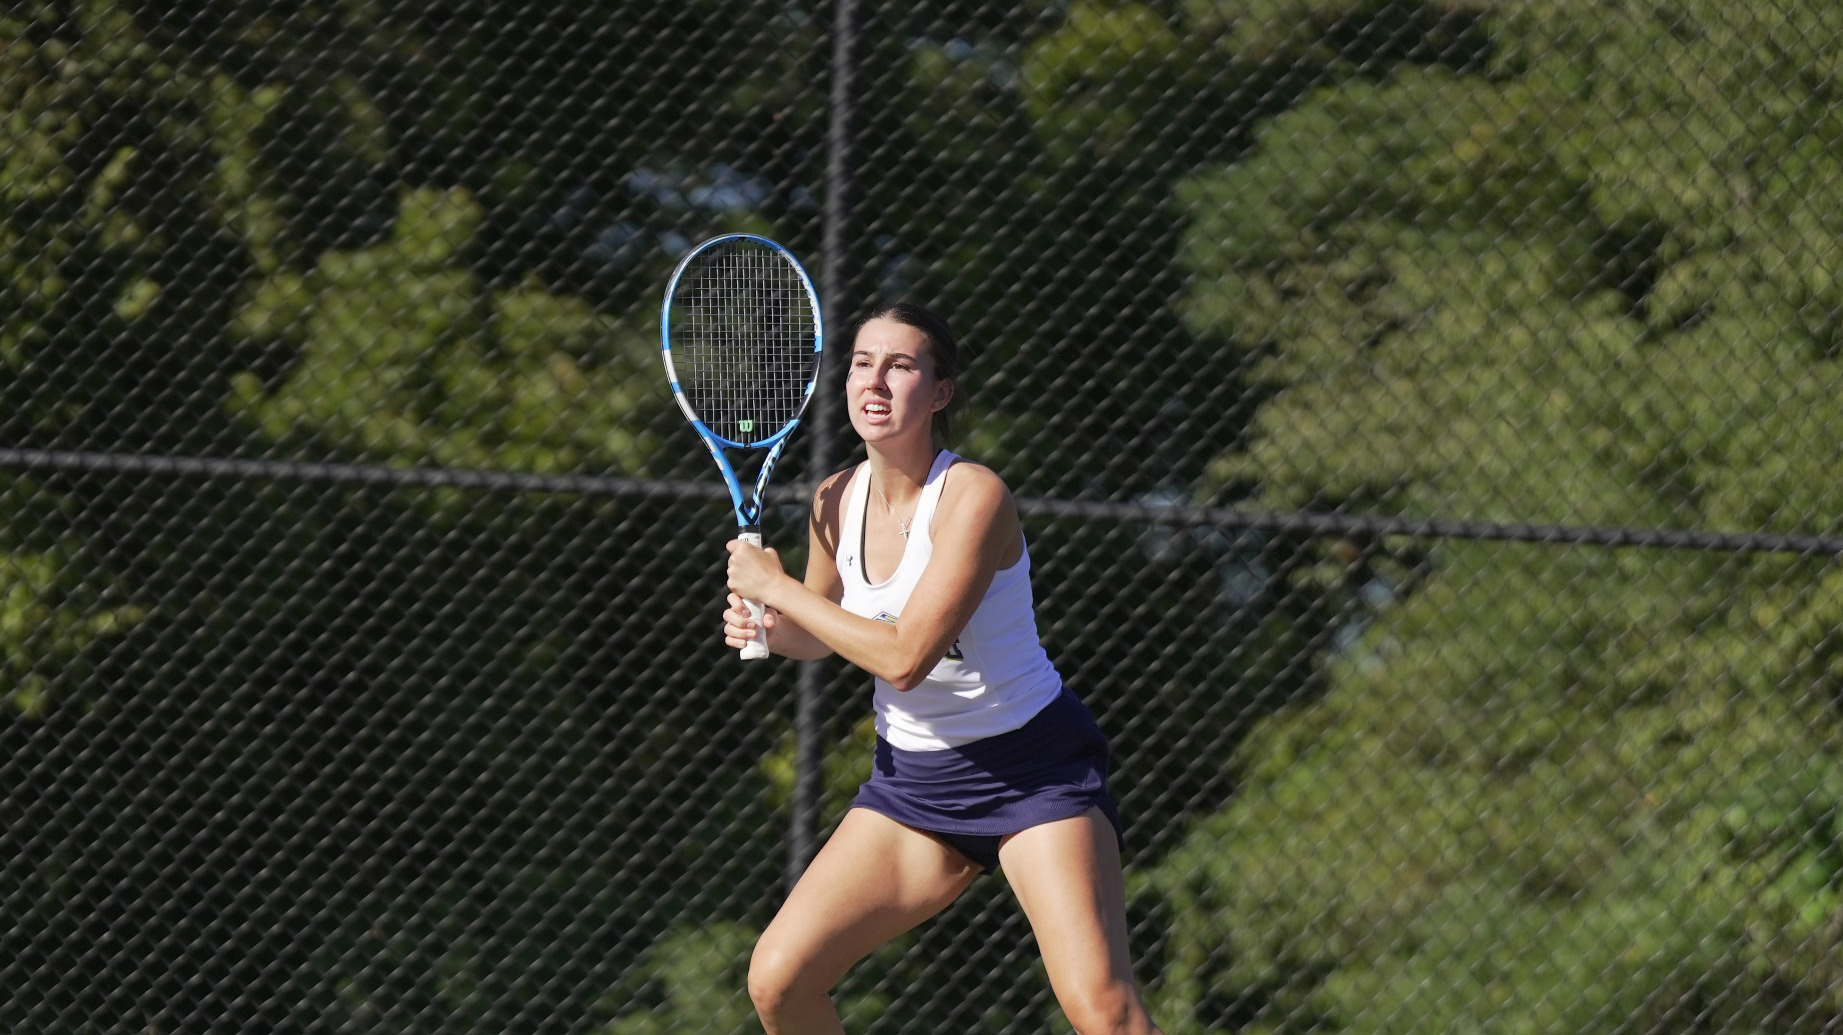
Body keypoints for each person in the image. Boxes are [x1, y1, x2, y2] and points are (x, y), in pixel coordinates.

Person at [722, 301, 1165, 1035]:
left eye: (901, 365)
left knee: (1104, 1012)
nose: (875, 380)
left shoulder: (974, 496)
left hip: (1033, 774)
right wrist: (773, 627)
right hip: (913, 786)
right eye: (863, 362)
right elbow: (827, 630)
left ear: (939, 392)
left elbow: (902, 656)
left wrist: (778, 589)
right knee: (778, 981)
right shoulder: (834, 498)